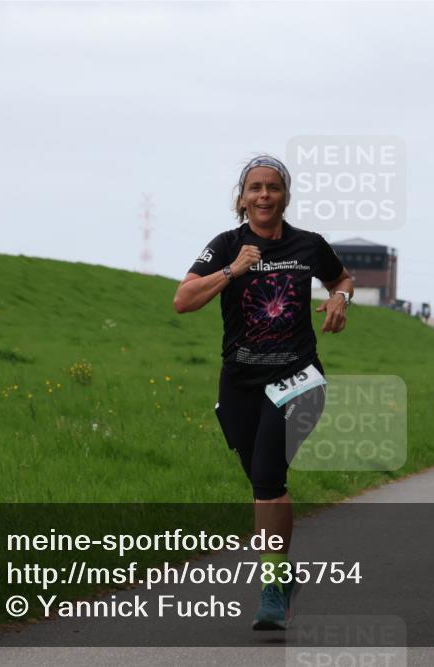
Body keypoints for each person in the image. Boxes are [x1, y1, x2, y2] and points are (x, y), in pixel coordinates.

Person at [173, 155, 353, 630]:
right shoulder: (226, 246)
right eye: (255, 188)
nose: (264, 196)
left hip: (298, 379)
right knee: (260, 484)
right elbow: (183, 300)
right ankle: (283, 574)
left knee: (269, 478)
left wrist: (340, 298)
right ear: (242, 197)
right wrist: (232, 271)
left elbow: (341, 277)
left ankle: (272, 589)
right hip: (239, 383)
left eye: (273, 187)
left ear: (285, 196)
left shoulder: (308, 245)